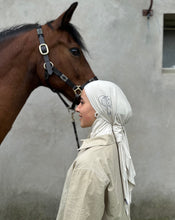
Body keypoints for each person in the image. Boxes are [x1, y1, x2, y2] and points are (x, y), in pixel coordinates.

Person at [56, 80, 136, 220]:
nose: (77, 109)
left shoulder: (90, 163)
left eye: (82, 102)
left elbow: (80, 215)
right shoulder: (115, 146)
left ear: (99, 110)